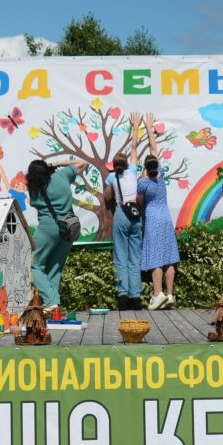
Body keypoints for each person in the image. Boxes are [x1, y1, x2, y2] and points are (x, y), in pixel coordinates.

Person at [28, 158, 88, 311]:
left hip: (48, 229)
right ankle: (52, 306)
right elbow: (82, 163)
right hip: (69, 228)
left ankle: (50, 300)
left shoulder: (35, 188)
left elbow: (32, 202)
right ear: (47, 168)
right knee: (55, 267)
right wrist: (55, 164)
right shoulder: (62, 175)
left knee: (33, 264)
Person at [137, 112, 180, 310]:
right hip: (166, 218)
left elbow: (138, 202)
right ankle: (170, 294)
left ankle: (157, 294)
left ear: (146, 168)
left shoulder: (143, 183)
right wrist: (149, 127)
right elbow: (155, 149)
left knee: (155, 258)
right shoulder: (161, 176)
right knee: (169, 257)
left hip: (153, 219)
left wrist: (141, 175)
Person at [105, 113, 143, 310]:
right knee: (135, 257)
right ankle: (136, 297)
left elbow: (107, 198)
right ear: (127, 164)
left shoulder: (112, 177)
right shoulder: (134, 171)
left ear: (114, 166)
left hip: (121, 212)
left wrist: (109, 184)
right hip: (135, 214)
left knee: (121, 256)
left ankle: (123, 296)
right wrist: (135, 127)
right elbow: (134, 148)